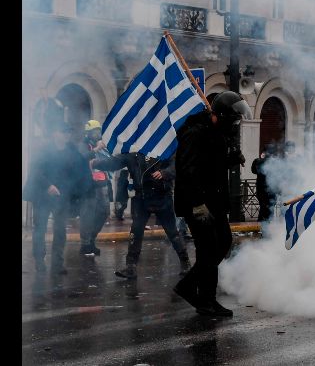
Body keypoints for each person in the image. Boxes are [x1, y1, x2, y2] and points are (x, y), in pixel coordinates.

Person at [173, 91, 252, 317]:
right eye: (233, 119)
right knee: (208, 249)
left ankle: (191, 288)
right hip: (197, 203)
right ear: (221, 115)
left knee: (223, 243)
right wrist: (198, 206)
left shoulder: (216, 132)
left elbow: (211, 166)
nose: (235, 124)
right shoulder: (194, 133)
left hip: (214, 201)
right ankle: (204, 298)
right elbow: (188, 172)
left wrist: (231, 159)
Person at [90, 152, 191, 279]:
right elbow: (115, 162)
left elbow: (177, 163)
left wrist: (165, 173)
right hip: (141, 196)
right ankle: (130, 267)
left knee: (172, 232)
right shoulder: (134, 151)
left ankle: (185, 263)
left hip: (162, 196)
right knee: (136, 231)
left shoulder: (164, 145)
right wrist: (96, 163)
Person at [23, 123, 92, 274]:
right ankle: (40, 260)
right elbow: (35, 170)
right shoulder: (44, 150)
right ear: (55, 133)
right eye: (63, 132)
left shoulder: (71, 150)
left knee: (60, 230)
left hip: (61, 197)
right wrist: (48, 186)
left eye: (68, 132)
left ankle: (57, 263)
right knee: (40, 229)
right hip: (42, 196)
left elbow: (80, 167)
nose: (66, 135)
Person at [78, 120, 113, 257]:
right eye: (94, 131)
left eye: (99, 131)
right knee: (87, 214)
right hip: (88, 186)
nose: (98, 133)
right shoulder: (83, 146)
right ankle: (85, 244)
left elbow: (110, 160)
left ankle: (92, 239)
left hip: (102, 184)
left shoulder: (101, 145)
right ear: (88, 133)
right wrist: (96, 149)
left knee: (104, 212)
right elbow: (82, 158)